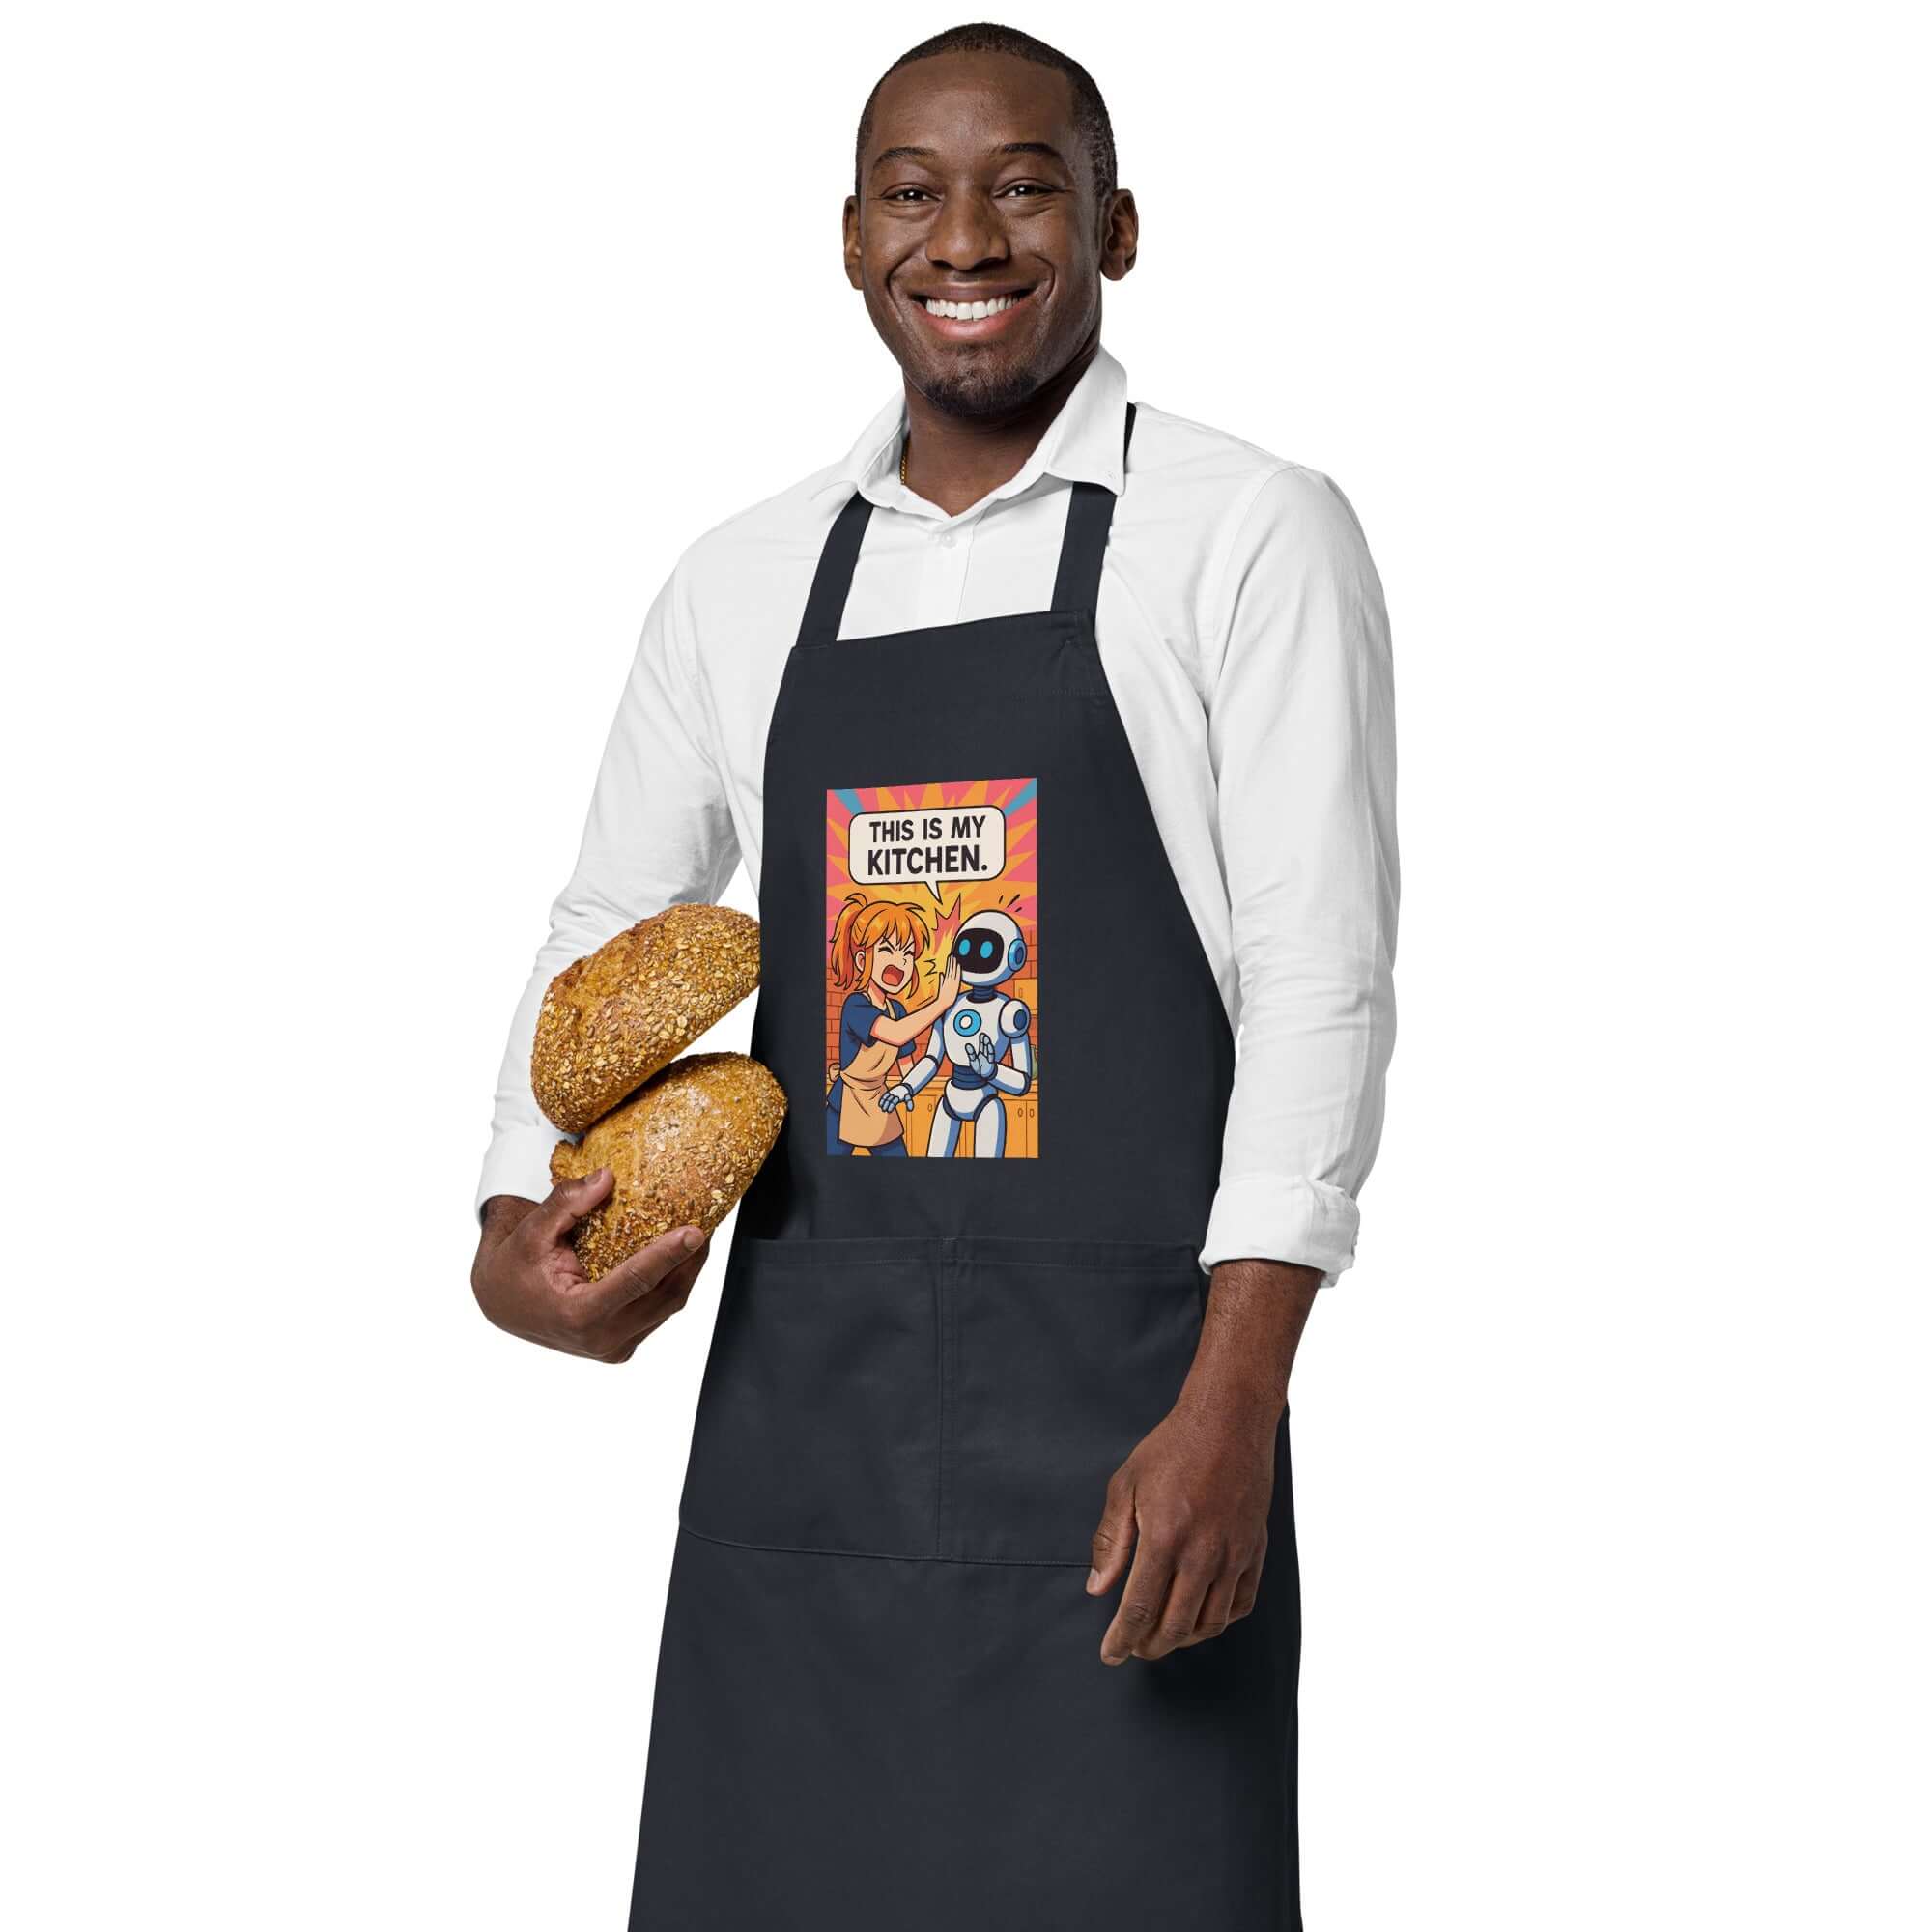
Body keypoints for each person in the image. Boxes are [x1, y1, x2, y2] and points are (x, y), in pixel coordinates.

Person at [470, 22, 1398, 1929]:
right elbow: (607, 924)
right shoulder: (740, 579)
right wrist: (513, 1220)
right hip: (805, 1443)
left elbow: (1322, 983)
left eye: (1023, 183)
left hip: (1135, 1437)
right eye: (912, 189)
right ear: (847, 237)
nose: (962, 235)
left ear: (1116, 224)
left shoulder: (1244, 532)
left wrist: (1235, 1412)